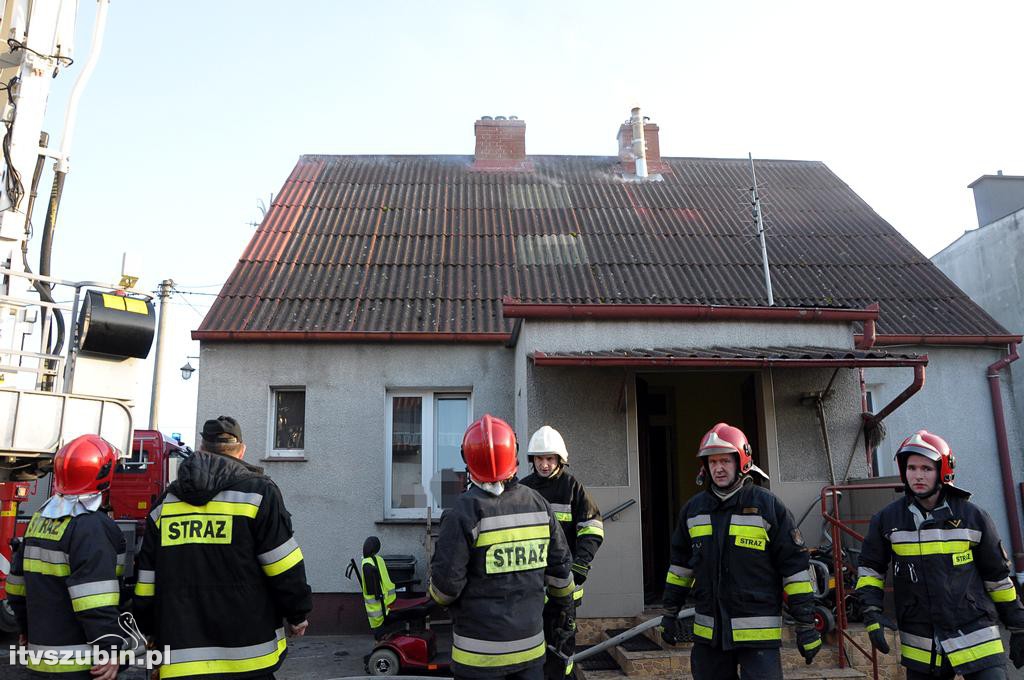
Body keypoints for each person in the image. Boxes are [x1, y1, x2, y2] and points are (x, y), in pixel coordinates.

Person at [133, 416, 312, 680]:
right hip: (249, 657)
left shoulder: (165, 505)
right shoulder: (259, 494)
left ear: (201, 448)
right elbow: (283, 564)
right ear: (241, 451)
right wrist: (297, 614)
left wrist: (147, 628)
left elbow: (146, 580)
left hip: (181, 658)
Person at [855, 430, 1024, 679]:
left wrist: (1018, 625)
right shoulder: (887, 520)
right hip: (922, 644)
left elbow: (997, 577)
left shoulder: (972, 517)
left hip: (976, 637)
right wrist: (871, 612)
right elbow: (870, 570)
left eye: (926, 468)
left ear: (943, 470)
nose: (918, 475)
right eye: (911, 468)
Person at [660, 423, 821, 679]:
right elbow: (680, 568)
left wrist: (805, 624)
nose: (718, 468)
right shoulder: (693, 511)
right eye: (712, 462)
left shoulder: (767, 507)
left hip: (759, 640)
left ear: (741, 461)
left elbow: (795, 570)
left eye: (725, 460)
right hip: (709, 637)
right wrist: (670, 613)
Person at [428, 414, 575, 680]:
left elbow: (444, 591)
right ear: (515, 454)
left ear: (468, 459)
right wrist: (564, 619)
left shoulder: (462, 512)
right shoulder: (539, 505)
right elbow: (562, 579)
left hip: (477, 658)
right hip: (530, 651)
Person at [6, 434, 126, 680]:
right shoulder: (91, 527)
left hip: (40, 659)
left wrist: (25, 627)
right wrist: (111, 649)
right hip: (80, 663)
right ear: (104, 474)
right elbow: (96, 599)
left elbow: (16, 587)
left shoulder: (40, 519)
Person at [521, 425, 603, 679]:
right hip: (530, 588)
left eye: (549, 458)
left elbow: (592, 529)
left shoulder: (572, 488)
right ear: (532, 460)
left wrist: (579, 567)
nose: (544, 464)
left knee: (562, 651)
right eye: (539, 458)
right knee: (532, 651)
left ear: (559, 459)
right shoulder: (523, 491)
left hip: (565, 589)